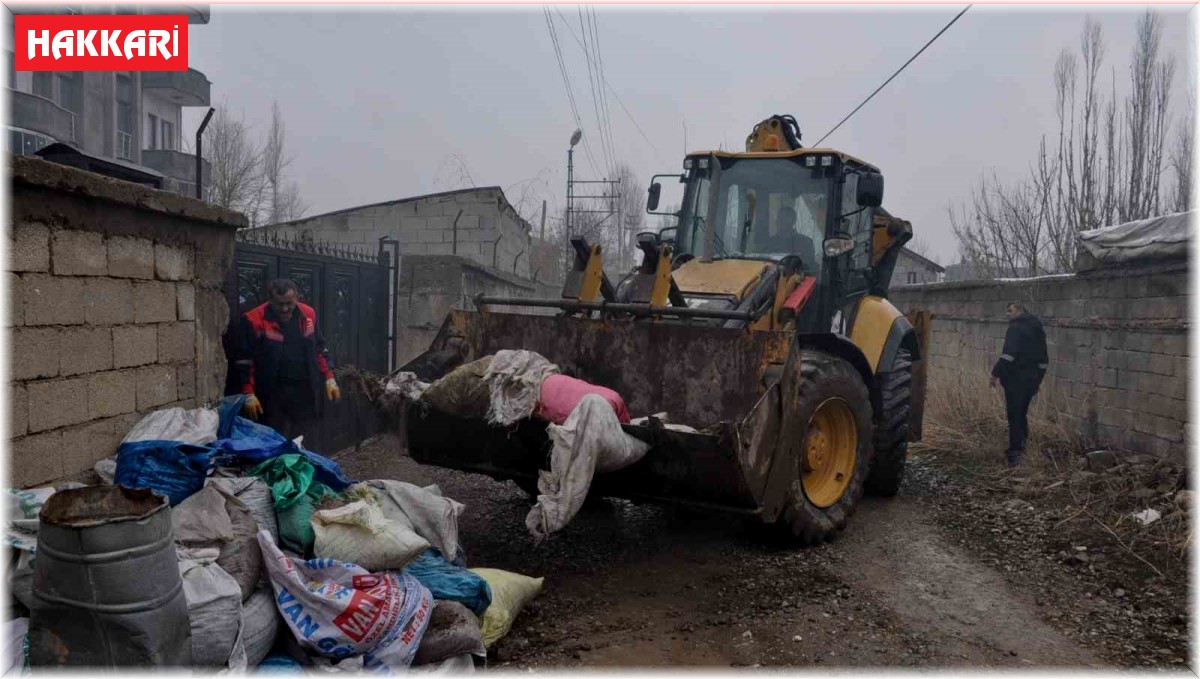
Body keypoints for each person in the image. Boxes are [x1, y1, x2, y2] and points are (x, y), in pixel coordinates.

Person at [234, 278, 341, 446]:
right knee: (275, 443)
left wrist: (329, 377)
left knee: (308, 440)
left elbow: (319, 348)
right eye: (279, 304)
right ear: (270, 300)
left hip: (305, 391)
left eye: (289, 303)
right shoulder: (253, 320)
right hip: (271, 395)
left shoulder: (308, 315)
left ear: (297, 297)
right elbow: (244, 361)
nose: (284, 309)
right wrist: (248, 392)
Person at [990, 302, 1049, 467]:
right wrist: (1038, 380)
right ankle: (1023, 447)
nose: (1008, 314)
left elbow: (1008, 355)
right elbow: (1044, 359)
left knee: (1014, 415)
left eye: (1010, 310)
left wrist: (995, 373)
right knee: (1022, 413)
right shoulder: (1038, 328)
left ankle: (1015, 454)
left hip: (1015, 379)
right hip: (1031, 380)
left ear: (1020, 311)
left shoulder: (1015, 328)